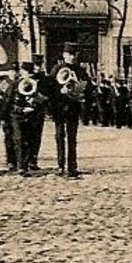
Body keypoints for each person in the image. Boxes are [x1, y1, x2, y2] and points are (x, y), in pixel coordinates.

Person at [50, 46, 86, 178]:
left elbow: (87, 85)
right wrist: (60, 91)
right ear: (64, 55)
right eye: (69, 54)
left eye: (74, 54)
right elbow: (51, 87)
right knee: (60, 136)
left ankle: (72, 166)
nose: (72, 57)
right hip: (60, 107)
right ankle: (61, 165)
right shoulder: (57, 69)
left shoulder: (80, 70)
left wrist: (81, 91)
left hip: (73, 107)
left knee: (72, 137)